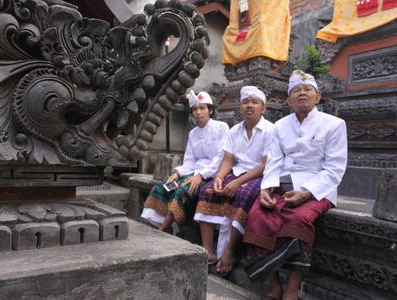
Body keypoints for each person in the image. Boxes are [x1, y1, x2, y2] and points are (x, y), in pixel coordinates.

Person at [243, 70, 348, 300]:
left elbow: (334, 168)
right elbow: (274, 161)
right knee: (256, 215)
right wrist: (265, 189)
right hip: (283, 185)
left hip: (318, 188)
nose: (302, 94)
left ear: (317, 97)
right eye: (296, 91)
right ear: (289, 100)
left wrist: (306, 193)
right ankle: (274, 286)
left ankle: (291, 292)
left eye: (307, 90)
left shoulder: (335, 125)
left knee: (297, 220)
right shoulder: (280, 126)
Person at [194, 86, 274, 270]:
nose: (249, 106)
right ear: (240, 107)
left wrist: (238, 182)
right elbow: (228, 159)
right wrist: (219, 177)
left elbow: (265, 164)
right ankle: (208, 249)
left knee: (243, 195)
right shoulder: (235, 130)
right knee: (207, 190)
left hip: (259, 175)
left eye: (255, 102)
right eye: (245, 102)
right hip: (237, 171)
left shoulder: (271, 130)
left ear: (264, 108)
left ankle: (229, 251)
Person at [141, 90, 229, 234]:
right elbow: (190, 159)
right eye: (195, 109)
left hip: (212, 174)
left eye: (202, 108)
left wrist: (201, 175)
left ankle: (163, 230)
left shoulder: (221, 127)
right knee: (163, 186)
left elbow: (221, 157)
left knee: (183, 191)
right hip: (193, 172)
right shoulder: (193, 133)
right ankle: (163, 225)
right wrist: (178, 172)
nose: (198, 112)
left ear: (210, 110)